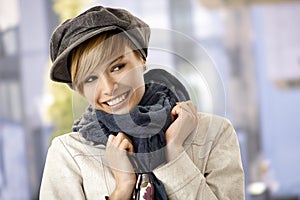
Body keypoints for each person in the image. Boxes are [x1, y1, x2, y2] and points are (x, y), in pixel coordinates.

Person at [40, 5, 245, 200]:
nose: (109, 88)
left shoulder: (214, 133)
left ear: (142, 60)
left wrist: (173, 153)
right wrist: (122, 189)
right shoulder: (68, 153)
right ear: (80, 89)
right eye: (90, 79)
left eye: (118, 67)